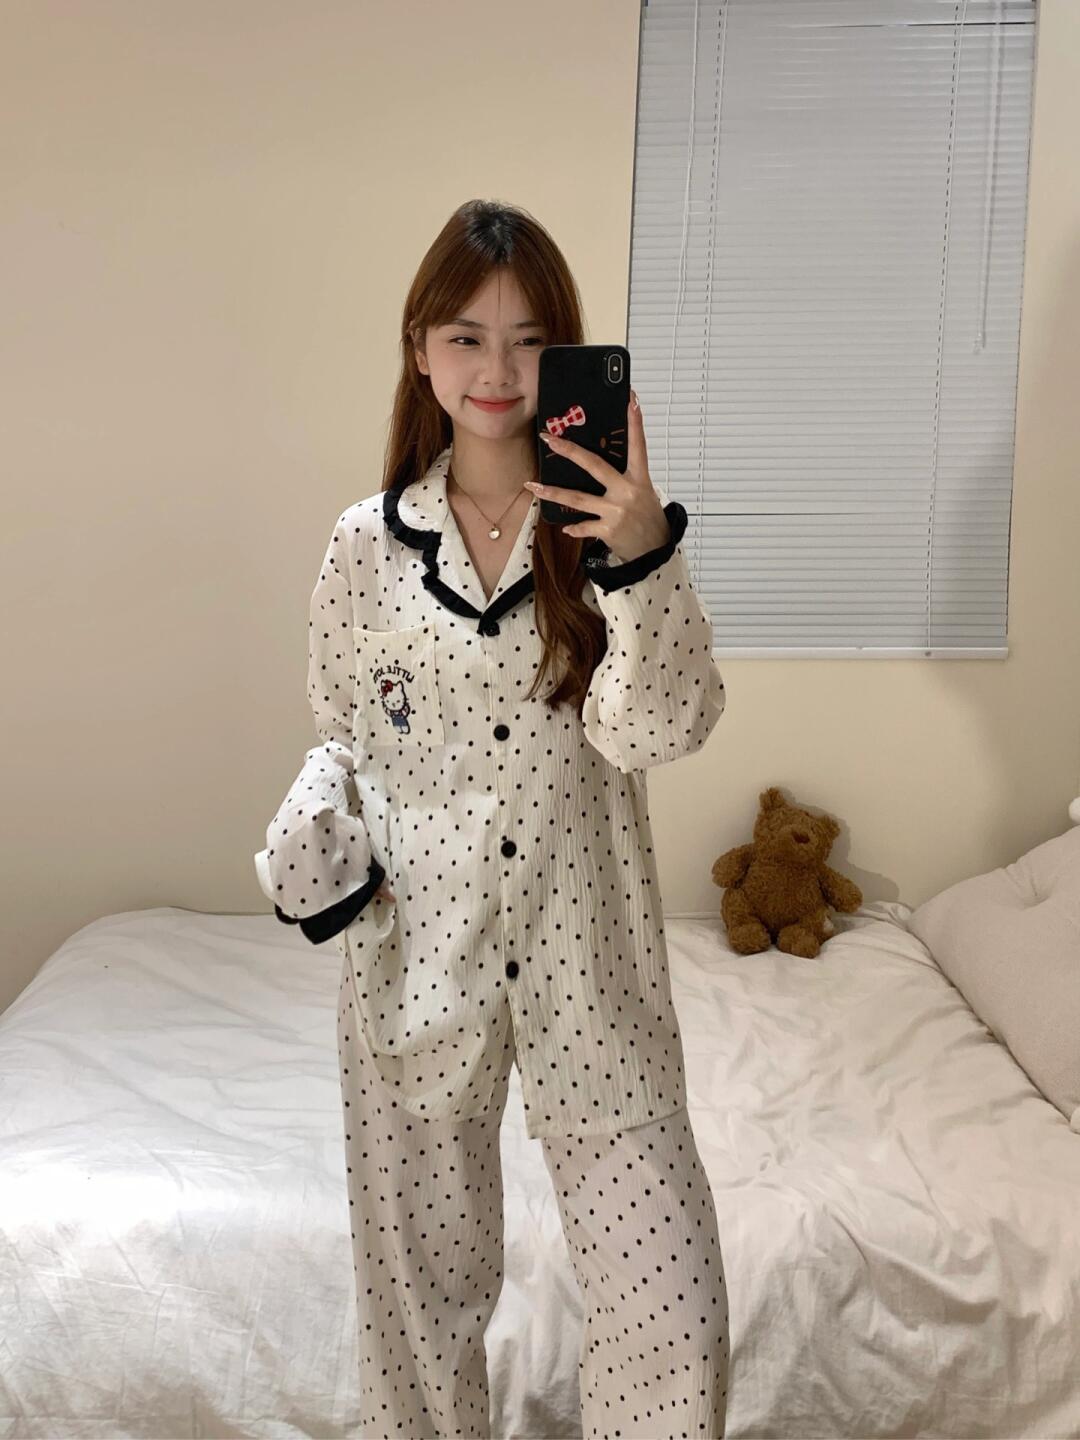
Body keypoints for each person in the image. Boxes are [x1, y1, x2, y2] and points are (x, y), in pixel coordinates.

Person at [254, 198, 731, 1439]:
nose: (497, 371)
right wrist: (318, 828)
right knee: (417, 1317)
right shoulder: (364, 549)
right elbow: (345, 734)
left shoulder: (608, 535)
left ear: (564, 356)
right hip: (415, 974)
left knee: (671, 1318)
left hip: (591, 969)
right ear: (421, 350)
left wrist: (641, 559)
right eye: (467, 337)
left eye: (528, 341)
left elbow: (660, 729)